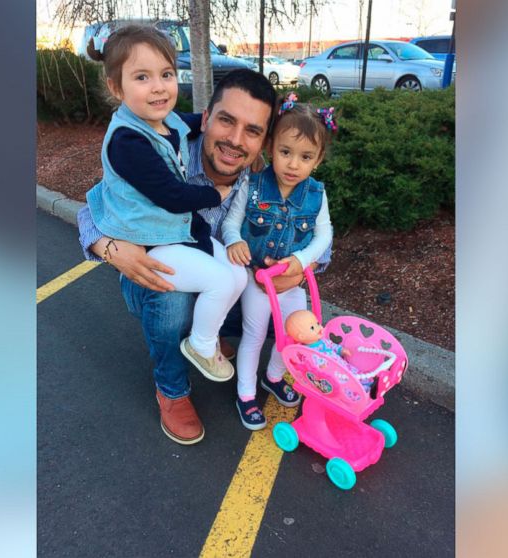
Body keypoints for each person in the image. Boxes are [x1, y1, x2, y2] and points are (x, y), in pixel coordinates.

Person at [78, 68, 329, 445]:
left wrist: (303, 268)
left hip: (219, 276)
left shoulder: (261, 178)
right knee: (172, 298)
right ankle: (172, 388)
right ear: (206, 117)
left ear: (265, 141)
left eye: (253, 131)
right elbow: (95, 203)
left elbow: (313, 232)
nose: (235, 141)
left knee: (266, 299)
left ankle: (209, 338)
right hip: (159, 277)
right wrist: (110, 248)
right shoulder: (166, 150)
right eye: (226, 121)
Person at [84, 25, 246, 386]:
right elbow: (172, 196)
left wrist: (210, 122)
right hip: (152, 242)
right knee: (216, 281)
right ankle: (188, 363)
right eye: (142, 77)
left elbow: (184, 125)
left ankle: (205, 334)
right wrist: (214, 195)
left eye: (167, 74)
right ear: (116, 87)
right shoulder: (128, 141)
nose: (159, 86)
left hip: (178, 234)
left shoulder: (162, 120)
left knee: (237, 275)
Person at [223, 95, 338, 429]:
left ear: (317, 160)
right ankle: (245, 393)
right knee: (255, 334)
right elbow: (232, 221)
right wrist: (235, 240)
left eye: (305, 157)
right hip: (257, 280)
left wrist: (301, 262)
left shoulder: (316, 193)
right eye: (285, 152)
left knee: (294, 334)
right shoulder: (254, 184)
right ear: (270, 148)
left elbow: (324, 235)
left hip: (291, 280)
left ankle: (273, 377)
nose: (293, 165)